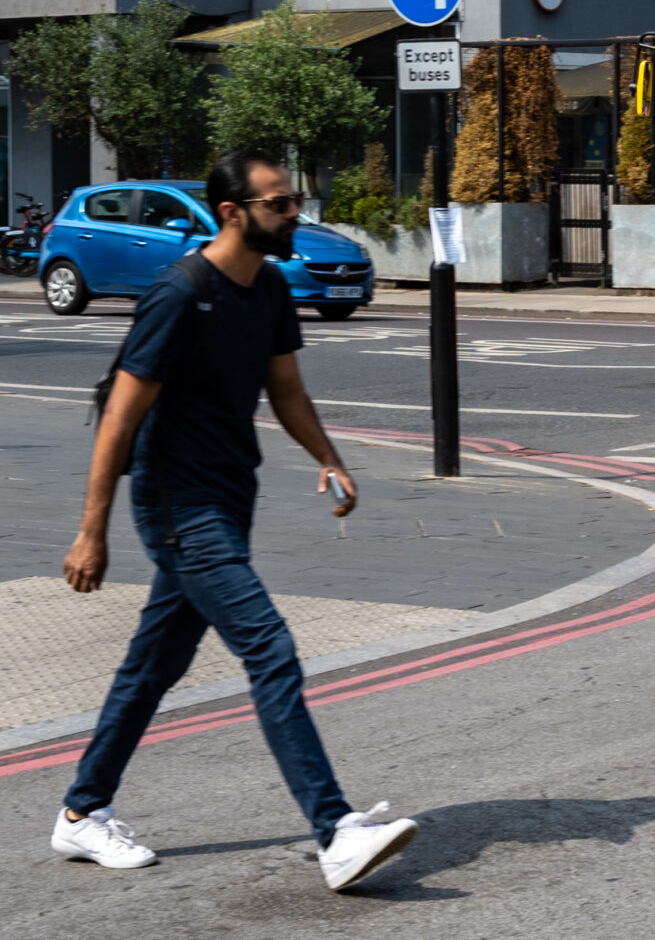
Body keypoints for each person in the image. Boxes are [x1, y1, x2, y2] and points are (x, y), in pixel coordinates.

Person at [52, 150, 419, 891]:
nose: (293, 214)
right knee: (271, 649)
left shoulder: (271, 290)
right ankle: (335, 828)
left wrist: (329, 457)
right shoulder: (180, 293)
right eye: (279, 204)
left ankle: (82, 813)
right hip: (179, 507)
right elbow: (120, 417)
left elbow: (285, 389)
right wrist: (92, 531)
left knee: (153, 667)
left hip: (229, 497)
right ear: (234, 213)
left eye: (292, 201)